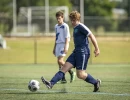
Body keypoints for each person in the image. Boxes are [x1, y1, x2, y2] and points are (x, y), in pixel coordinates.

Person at [41, 10, 101, 92]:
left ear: (78, 19)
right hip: (76, 52)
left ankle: (95, 82)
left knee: (80, 74)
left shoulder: (81, 26)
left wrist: (97, 48)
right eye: (71, 20)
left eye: (74, 20)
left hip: (83, 52)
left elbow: (91, 36)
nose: (72, 22)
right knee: (64, 68)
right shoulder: (75, 28)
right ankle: (51, 83)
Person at [52, 11, 75, 83]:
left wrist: (66, 47)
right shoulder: (56, 26)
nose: (58, 20)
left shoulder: (65, 26)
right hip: (58, 45)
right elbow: (56, 37)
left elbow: (67, 37)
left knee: (60, 61)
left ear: (62, 18)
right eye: (57, 18)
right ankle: (63, 78)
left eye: (59, 18)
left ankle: (71, 72)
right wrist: (54, 47)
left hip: (63, 44)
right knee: (58, 62)